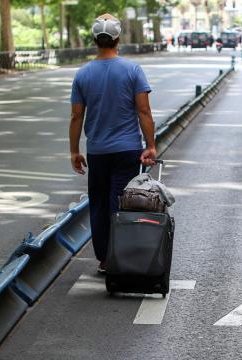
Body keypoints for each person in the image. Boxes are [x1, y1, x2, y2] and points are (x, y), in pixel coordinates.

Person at [69, 14, 157, 274]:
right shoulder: (132, 70)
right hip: (128, 150)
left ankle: (105, 260)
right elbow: (144, 111)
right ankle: (122, 257)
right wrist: (150, 145)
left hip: (97, 152)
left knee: (97, 204)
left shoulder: (83, 74)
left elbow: (76, 116)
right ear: (118, 39)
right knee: (120, 203)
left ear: (95, 40)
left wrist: (74, 151)